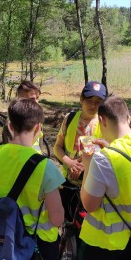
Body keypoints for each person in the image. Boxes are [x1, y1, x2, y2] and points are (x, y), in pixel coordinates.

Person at [0, 98, 65, 260]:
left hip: (1, 243)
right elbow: (57, 218)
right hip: (37, 245)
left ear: (9, 126)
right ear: (38, 128)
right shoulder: (46, 167)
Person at [78, 95, 131, 259]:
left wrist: (88, 163)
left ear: (102, 120)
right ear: (128, 117)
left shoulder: (103, 160)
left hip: (108, 244)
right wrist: (110, 148)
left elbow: (89, 205)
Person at [53, 81, 106, 221]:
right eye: (89, 100)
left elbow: (105, 154)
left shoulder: (105, 123)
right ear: (81, 99)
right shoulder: (69, 119)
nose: (93, 105)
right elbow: (57, 147)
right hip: (67, 183)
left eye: (98, 102)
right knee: (67, 224)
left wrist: (83, 166)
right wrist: (70, 162)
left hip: (91, 187)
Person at [2, 80, 43, 153]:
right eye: (32, 99)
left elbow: (40, 147)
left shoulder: (38, 119)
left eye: (37, 98)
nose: (36, 102)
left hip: (39, 162)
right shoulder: (12, 123)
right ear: (20, 100)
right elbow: (11, 152)